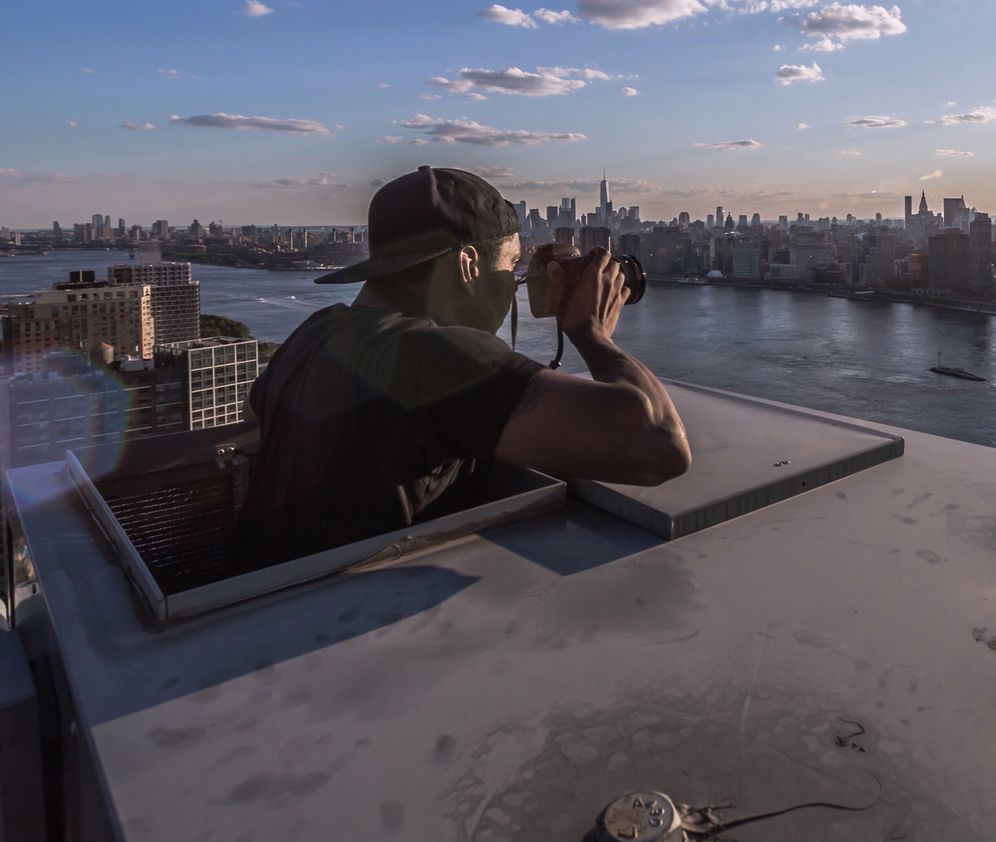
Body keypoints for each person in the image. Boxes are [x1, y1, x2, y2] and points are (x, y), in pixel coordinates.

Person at [236, 166, 690, 568]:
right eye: (510, 267)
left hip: (257, 605)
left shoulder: (317, 332)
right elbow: (659, 446)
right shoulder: (430, 353)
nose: (513, 288)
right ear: (468, 265)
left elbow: (259, 413)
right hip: (343, 624)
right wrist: (591, 333)